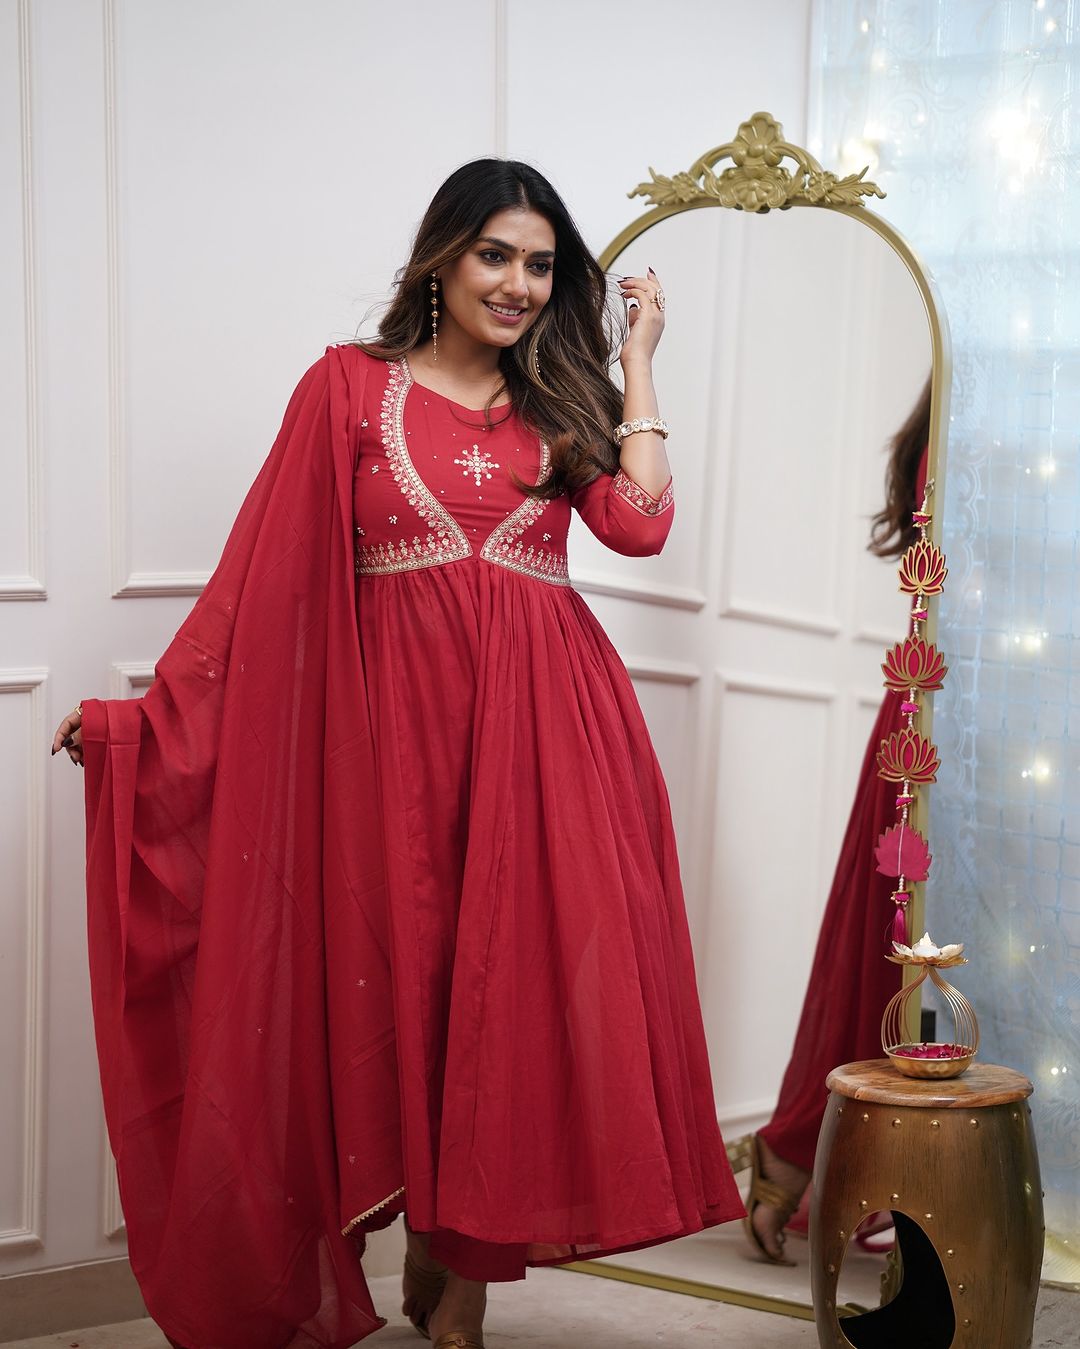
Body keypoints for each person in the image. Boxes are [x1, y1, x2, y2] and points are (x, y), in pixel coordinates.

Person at [53, 158, 743, 1349]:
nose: (518, 285)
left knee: (504, 1004)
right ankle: (412, 1244)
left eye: (539, 264)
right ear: (440, 257)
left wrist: (634, 360)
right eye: (495, 256)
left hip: (547, 748)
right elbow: (252, 585)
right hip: (390, 752)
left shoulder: (558, 409)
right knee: (400, 988)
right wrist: (147, 718)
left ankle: (461, 1288)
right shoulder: (344, 389)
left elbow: (639, 524)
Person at [739, 380, 932, 1264]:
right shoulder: (987, 416)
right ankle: (894, 1173)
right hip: (947, 712)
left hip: (981, 707)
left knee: (915, 949)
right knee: (905, 947)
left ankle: (841, 1163)